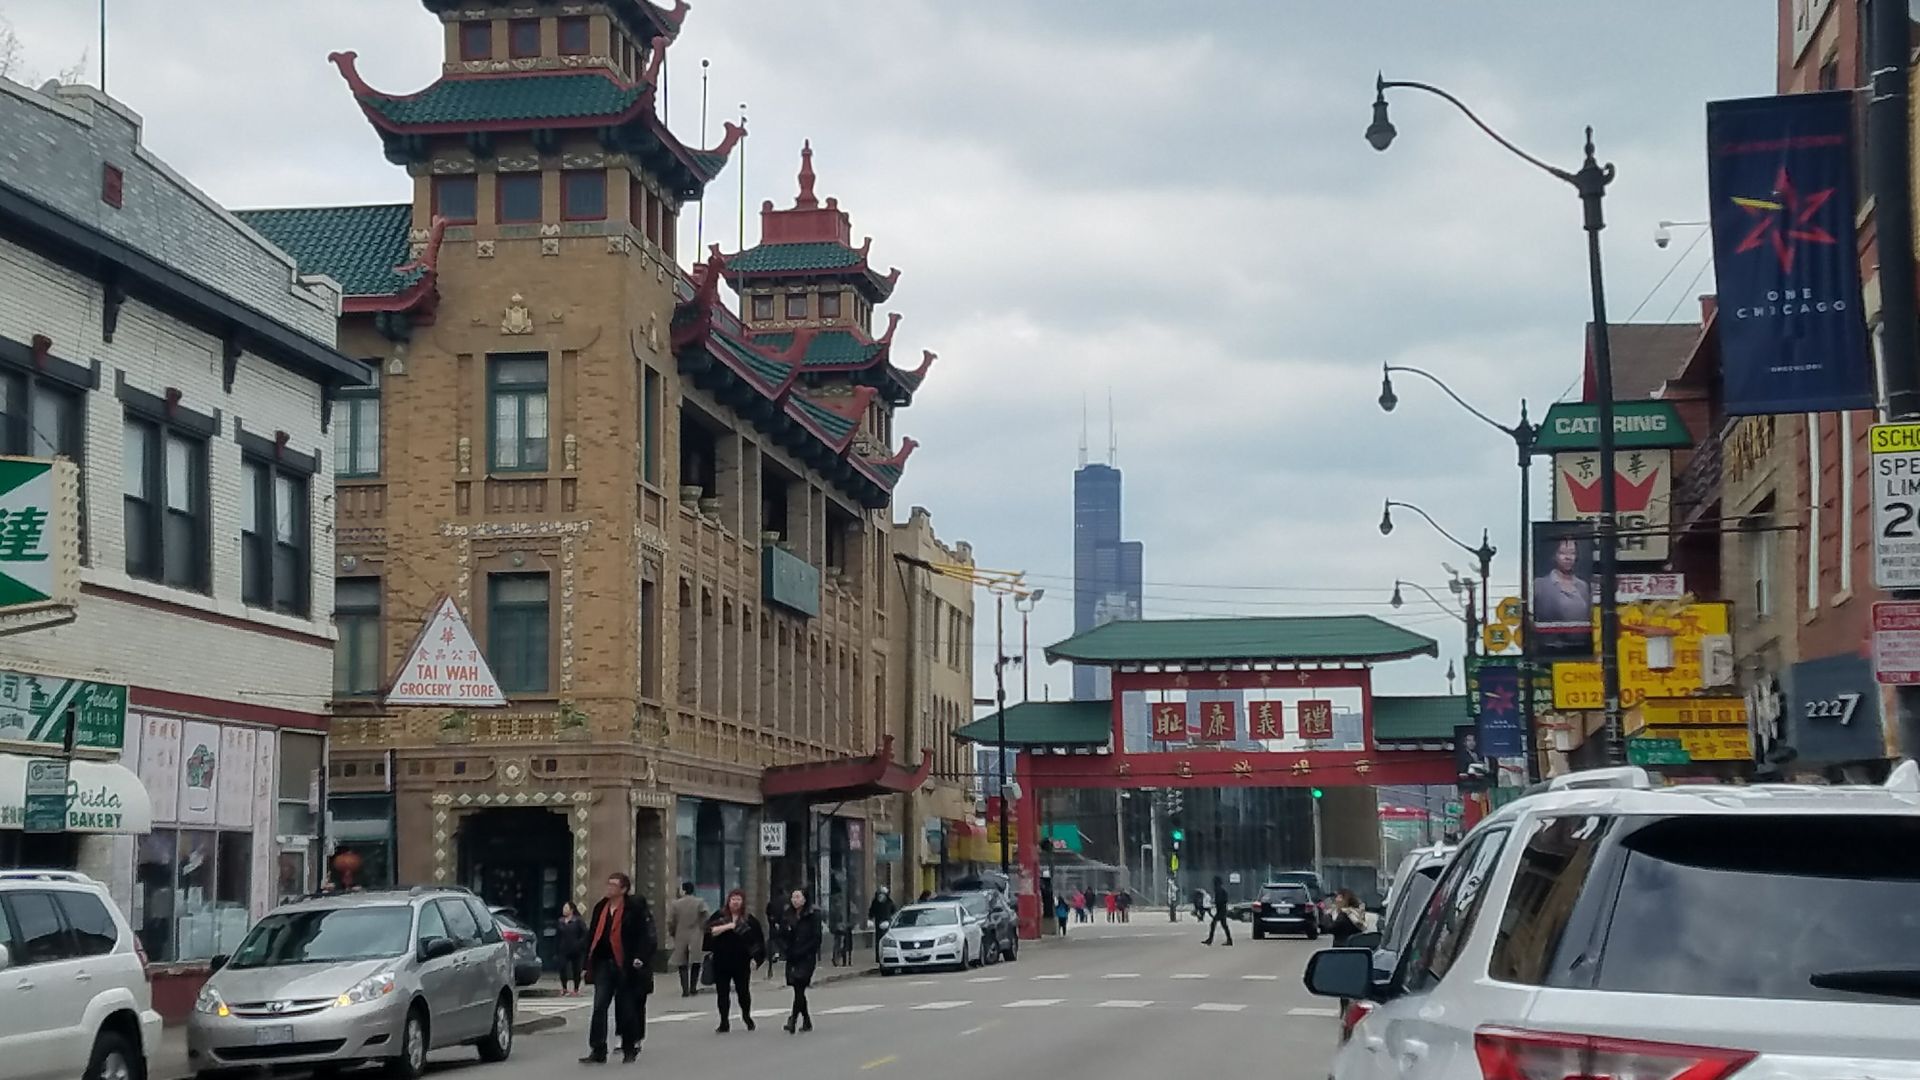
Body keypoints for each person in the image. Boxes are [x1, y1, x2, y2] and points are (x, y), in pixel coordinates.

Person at [580, 871, 657, 1065]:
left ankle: (629, 1048)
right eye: (608, 884)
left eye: (614, 885)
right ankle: (598, 1049)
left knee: (626, 1008)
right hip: (603, 963)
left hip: (625, 964)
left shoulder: (633, 909)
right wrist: (585, 964)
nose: (609, 888)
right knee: (599, 1006)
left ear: (623, 889)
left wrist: (640, 957)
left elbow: (644, 936)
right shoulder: (601, 907)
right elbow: (592, 936)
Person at [705, 889, 765, 1033]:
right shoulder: (719, 916)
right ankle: (724, 1022)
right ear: (728, 901)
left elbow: (757, 941)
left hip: (741, 961)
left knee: (743, 992)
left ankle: (746, 1016)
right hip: (721, 960)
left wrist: (756, 959)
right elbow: (710, 931)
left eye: (738, 899)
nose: (735, 902)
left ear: (743, 902)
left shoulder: (749, 919)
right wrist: (729, 926)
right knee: (722, 993)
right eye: (733, 899)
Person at [782, 888, 823, 1034]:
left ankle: (793, 1019)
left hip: (806, 957)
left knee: (800, 986)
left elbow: (816, 938)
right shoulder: (788, 915)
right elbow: (782, 935)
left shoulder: (813, 915)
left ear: (805, 899)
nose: (795, 900)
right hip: (792, 957)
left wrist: (805, 951)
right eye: (793, 897)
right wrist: (785, 949)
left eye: (798, 897)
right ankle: (806, 1020)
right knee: (797, 988)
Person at [1533, 536, 1592, 624]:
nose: (1568, 557)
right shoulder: (1540, 585)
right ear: (1554, 555)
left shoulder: (1583, 586)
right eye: (1562, 553)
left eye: (1572, 553)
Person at [667, 881, 710, 998]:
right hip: (696, 933)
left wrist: (672, 932)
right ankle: (693, 987)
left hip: (680, 934)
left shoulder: (676, 904)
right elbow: (706, 916)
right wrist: (702, 927)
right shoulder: (699, 902)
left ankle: (685, 989)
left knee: (682, 963)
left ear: (683, 890)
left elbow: (670, 921)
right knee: (696, 962)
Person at [554, 900, 588, 997]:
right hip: (563, 949)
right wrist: (556, 949)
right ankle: (564, 988)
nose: (564, 910)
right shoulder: (560, 921)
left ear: (571, 910)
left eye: (566, 908)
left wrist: (580, 944)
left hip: (576, 949)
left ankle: (576, 989)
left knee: (576, 969)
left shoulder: (578, 921)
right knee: (562, 968)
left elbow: (585, 934)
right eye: (563, 908)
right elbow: (557, 936)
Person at [867, 886, 896, 964]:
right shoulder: (875, 902)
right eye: (880, 894)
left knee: (886, 939)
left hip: (887, 922)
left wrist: (890, 920)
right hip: (878, 922)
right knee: (878, 940)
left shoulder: (889, 902)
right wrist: (870, 919)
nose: (881, 896)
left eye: (883, 894)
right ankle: (878, 957)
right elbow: (871, 911)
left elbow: (893, 911)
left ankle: (887, 955)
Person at [1202, 875, 1233, 946]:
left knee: (1214, 924)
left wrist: (1216, 902)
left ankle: (1210, 940)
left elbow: (1221, 900)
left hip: (1221, 910)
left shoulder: (1219, 890)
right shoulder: (1221, 890)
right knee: (1224, 925)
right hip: (1222, 910)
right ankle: (1229, 940)